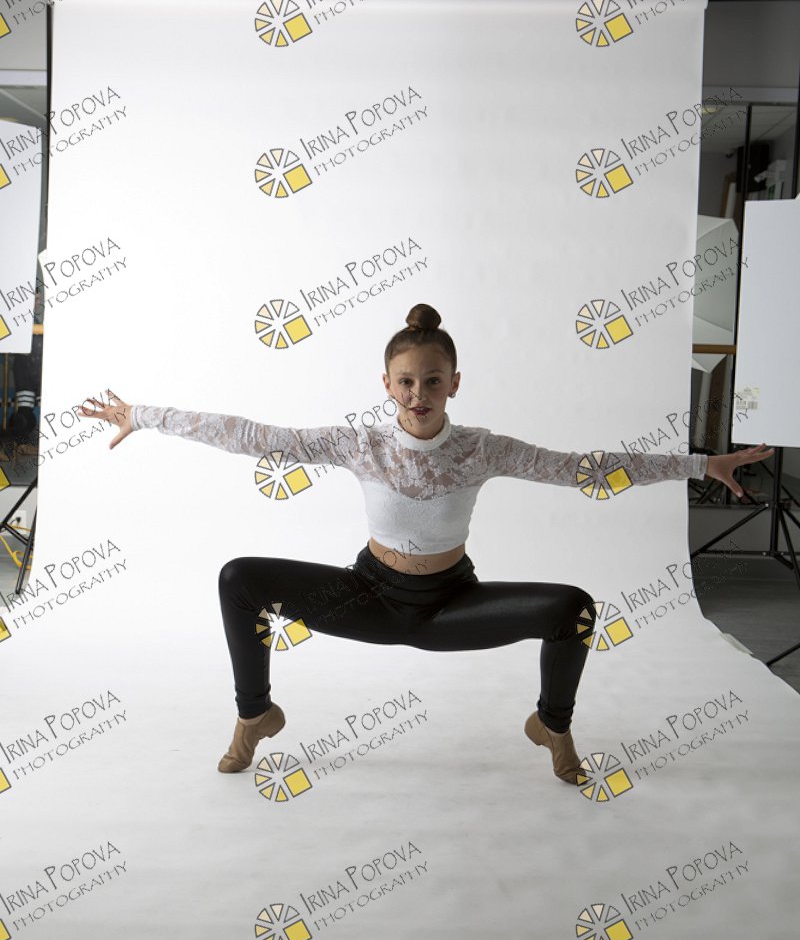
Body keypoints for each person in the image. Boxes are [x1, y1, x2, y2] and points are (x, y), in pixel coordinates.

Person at [79, 303, 774, 786]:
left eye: (432, 382)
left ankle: (551, 724)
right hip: (366, 596)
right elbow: (253, 435)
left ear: (454, 384)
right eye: (406, 382)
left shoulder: (481, 448)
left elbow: (583, 468)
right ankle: (255, 714)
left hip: (449, 606)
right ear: (386, 384)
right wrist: (142, 414)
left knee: (574, 607)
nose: (418, 395)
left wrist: (700, 463)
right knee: (239, 578)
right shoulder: (359, 443)